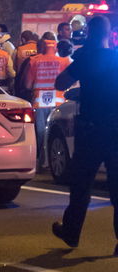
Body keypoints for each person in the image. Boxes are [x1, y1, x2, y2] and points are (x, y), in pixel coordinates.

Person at [52, 15, 118, 251]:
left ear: (90, 33)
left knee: (81, 185)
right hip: (116, 129)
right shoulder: (116, 57)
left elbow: (60, 83)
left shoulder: (87, 58)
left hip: (92, 129)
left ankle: (71, 232)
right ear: (109, 34)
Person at [25, 33, 70, 167]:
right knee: (57, 133)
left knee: (40, 133)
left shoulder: (34, 61)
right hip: (58, 102)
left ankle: (41, 161)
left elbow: (27, 85)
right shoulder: (64, 61)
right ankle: (54, 161)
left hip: (39, 102)